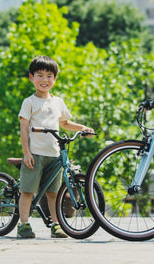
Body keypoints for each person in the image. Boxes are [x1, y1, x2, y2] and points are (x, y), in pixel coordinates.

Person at [17, 55, 94, 239]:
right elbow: (24, 127)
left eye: (49, 76)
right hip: (35, 154)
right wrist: (26, 153)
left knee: (53, 193)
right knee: (27, 191)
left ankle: (56, 225)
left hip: (54, 154)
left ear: (55, 79)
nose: (44, 80)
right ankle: (24, 224)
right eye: (40, 75)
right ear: (31, 77)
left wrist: (83, 128)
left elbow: (65, 123)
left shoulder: (57, 101)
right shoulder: (29, 102)